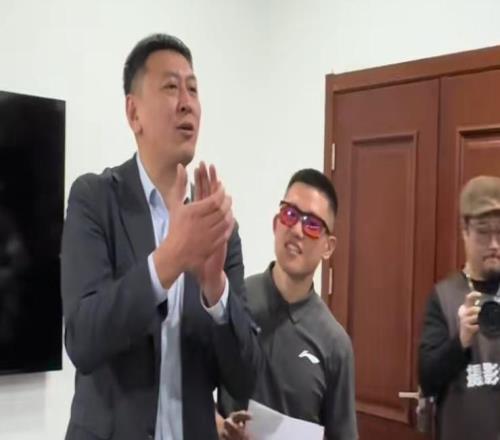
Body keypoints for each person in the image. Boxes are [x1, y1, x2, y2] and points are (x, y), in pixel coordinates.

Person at [61, 33, 261, 440]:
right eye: (171, 87)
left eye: (194, 89)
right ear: (134, 113)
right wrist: (168, 260)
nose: (187, 103)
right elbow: (83, 339)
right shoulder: (95, 199)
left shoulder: (216, 225)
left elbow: (244, 378)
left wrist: (215, 289)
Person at [217, 169, 358, 440]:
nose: (296, 230)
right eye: (290, 215)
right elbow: (192, 393)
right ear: (275, 224)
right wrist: (222, 428)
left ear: (328, 247)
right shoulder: (235, 299)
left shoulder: (335, 344)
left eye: (312, 225)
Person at [419, 175, 500, 439]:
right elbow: (427, 379)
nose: (494, 244)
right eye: (483, 232)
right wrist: (460, 341)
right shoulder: (443, 297)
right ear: (465, 231)